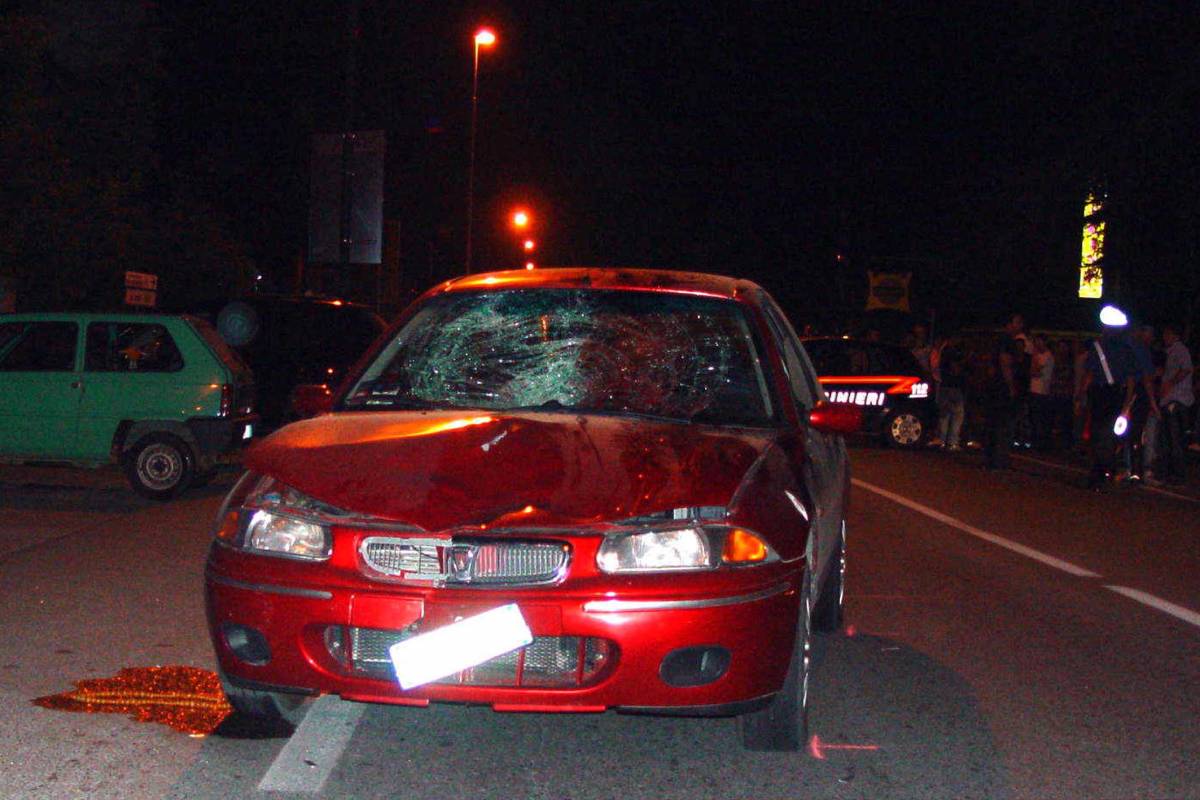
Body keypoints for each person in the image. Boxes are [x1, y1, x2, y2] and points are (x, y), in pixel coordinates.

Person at [1076, 319, 1139, 491]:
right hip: (1115, 394)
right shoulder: (1126, 349)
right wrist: (1126, 404)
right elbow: (1131, 380)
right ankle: (1105, 470)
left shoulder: (1097, 347)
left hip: (1099, 393)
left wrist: (1080, 396)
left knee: (1097, 434)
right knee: (1108, 435)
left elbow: (1089, 375)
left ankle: (1099, 472)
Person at [1158, 324, 1194, 484]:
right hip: (1171, 398)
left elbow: (1186, 369)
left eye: (1167, 334)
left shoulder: (1180, 350)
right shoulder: (1171, 351)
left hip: (1177, 399)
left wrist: (1170, 383)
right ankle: (1171, 471)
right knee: (1170, 438)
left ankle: (1179, 474)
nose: (1165, 338)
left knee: (1175, 438)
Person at [983, 330, 1022, 470]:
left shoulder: (992, 353)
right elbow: (1005, 365)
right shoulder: (1005, 350)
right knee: (1002, 426)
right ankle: (998, 460)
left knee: (993, 426)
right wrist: (1011, 386)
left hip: (994, 389)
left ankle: (990, 459)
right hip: (1001, 391)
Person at [935, 335, 967, 450]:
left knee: (945, 414)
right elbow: (955, 369)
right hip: (953, 386)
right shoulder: (952, 352)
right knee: (956, 414)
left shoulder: (944, 351)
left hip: (946, 385)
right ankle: (952, 441)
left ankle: (942, 440)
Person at [1028, 334, 1055, 450]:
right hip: (1034, 389)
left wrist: (1034, 360)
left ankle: (1041, 443)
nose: (1037, 345)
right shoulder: (1038, 355)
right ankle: (1035, 442)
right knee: (1033, 417)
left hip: (1042, 391)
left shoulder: (1048, 356)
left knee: (1040, 418)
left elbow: (1036, 371)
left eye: (1039, 342)